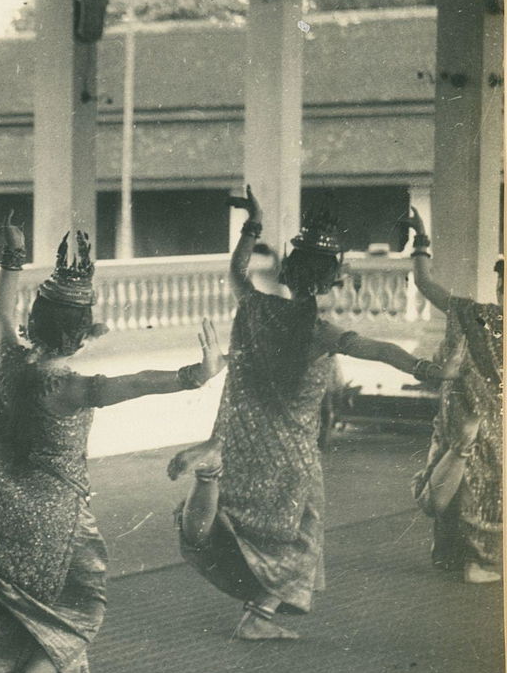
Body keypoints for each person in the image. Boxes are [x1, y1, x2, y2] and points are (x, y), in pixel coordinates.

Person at [0, 222, 226, 673]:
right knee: (84, 604)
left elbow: (1, 310)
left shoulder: (8, 357)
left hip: (2, 501)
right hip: (55, 514)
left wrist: (13, 257)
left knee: (0, 602)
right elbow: (136, 382)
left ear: (34, 320)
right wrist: (193, 375)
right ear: (80, 332)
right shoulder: (71, 387)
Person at [169, 191, 444, 639]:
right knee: (302, 533)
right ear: (333, 278)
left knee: (247, 524)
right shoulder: (319, 330)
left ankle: (256, 607)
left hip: (243, 442)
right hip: (292, 452)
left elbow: (236, 270)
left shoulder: (254, 306)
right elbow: (377, 350)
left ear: (289, 269)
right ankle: (258, 616)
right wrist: (424, 369)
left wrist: (254, 224)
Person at [401, 208, 501, 584]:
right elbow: (426, 285)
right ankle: (475, 560)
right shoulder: (477, 316)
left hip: (469, 427)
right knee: (477, 489)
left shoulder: (477, 316)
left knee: (461, 483)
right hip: (485, 432)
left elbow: (424, 283)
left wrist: (421, 240)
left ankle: (458, 556)